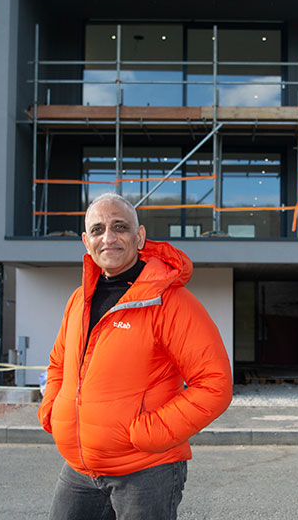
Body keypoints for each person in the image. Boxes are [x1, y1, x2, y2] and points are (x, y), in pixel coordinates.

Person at [38, 192, 232, 519]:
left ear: (139, 236)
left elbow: (215, 384)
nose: (108, 238)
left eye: (120, 227)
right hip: (79, 469)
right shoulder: (78, 300)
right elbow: (59, 363)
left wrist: (148, 433)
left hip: (145, 470)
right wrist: (52, 411)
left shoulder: (170, 302)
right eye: (98, 230)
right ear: (86, 241)